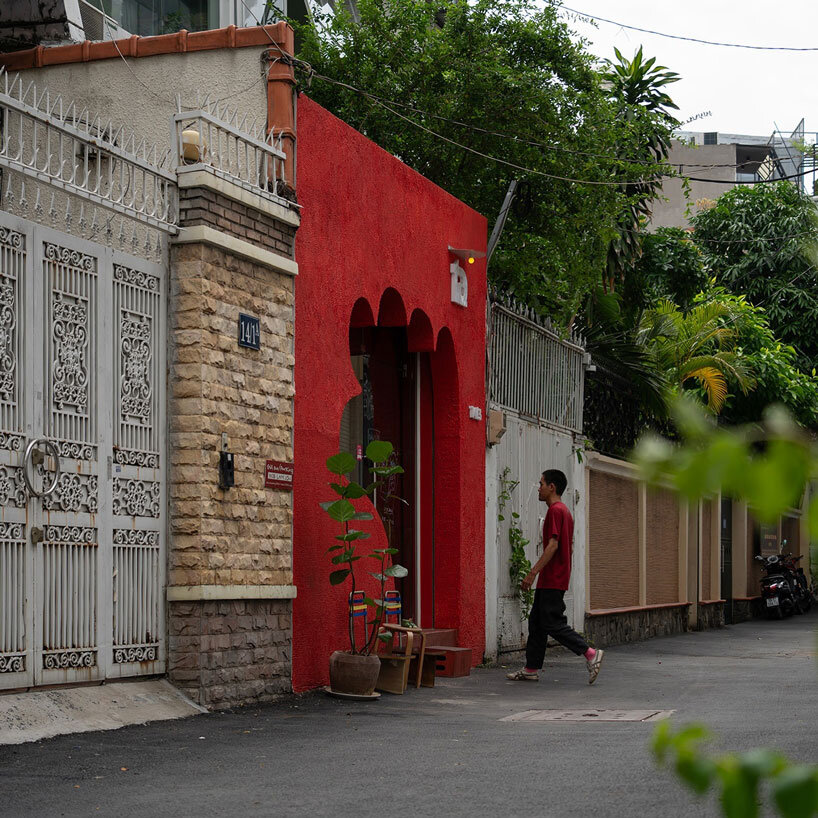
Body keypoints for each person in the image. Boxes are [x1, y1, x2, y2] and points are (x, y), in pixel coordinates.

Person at [506, 469, 604, 685]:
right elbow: (567, 547)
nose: (538, 488)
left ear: (552, 487)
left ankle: (589, 653)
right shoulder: (565, 512)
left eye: (541, 484)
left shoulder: (555, 511)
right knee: (537, 623)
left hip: (552, 578)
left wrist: (533, 573)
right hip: (554, 578)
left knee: (552, 623)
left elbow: (553, 545)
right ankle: (531, 668)